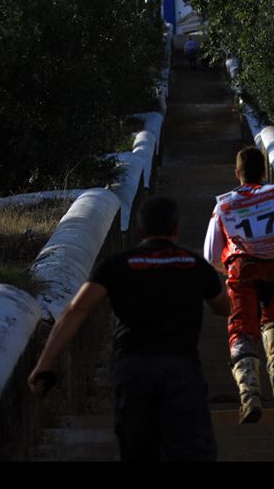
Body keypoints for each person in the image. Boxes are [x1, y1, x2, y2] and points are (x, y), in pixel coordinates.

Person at [28, 196, 230, 461]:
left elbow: (77, 309)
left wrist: (44, 363)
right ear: (176, 229)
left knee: (138, 449)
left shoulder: (116, 265)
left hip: (132, 370)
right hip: (180, 369)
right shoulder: (194, 265)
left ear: (140, 231)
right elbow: (223, 307)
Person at [204, 146, 274, 424]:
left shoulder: (224, 204)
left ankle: (250, 395)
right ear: (264, 172)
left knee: (241, 330)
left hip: (241, 268)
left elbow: (209, 253)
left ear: (237, 174)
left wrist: (226, 268)